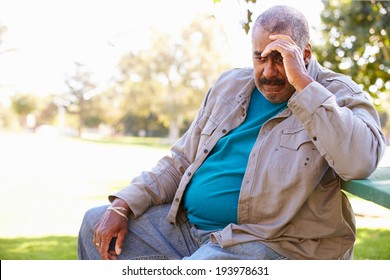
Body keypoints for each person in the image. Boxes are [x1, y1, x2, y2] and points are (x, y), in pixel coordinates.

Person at [78, 5, 386, 260]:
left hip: (274, 243)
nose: (267, 72)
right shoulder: (230, 85)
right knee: (95, 221)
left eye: (280, 58)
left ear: (304, 54)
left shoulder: (338, 94)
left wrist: (304, 86)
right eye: (259, 57)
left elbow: (360, 160)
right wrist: (123, 204)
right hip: (190, 230)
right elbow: (181, 160)